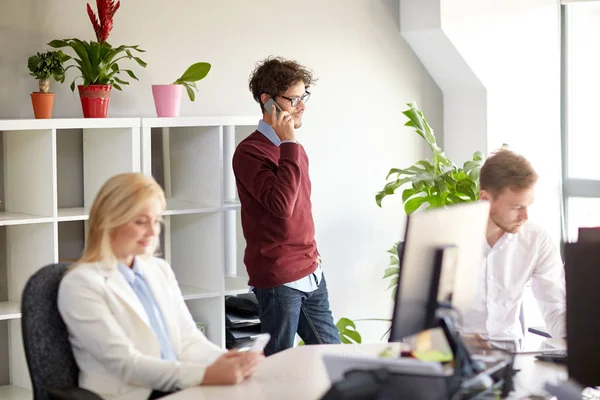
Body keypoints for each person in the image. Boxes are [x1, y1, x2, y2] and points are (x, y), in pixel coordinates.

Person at [58, 173, 263, 400]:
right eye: (141, 222)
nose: (154, 231)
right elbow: (126, 364)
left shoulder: (158, 270)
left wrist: (226, 361)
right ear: (109, 222)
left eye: (156, 220)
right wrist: (205, 375)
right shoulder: (81, 284)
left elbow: (187, 340)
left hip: (178, 387)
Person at [232, 56, 341, 356]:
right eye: (293, 99)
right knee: (280, 365)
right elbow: (281, 206)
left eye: (303, 97)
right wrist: (289, 142)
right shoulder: (250, 152)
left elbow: (300, 212)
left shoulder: (293, 149)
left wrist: (290, 145)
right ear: (268, 102)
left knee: (333, 357)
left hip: (310, 270)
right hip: (279, 278)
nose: (302, 106)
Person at [461, 149, 566, 345]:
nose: (525, 217)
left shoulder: (537, 240)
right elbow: (420, 320)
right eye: (516, 208)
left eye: (528, 206)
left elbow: (555, 308)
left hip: (512, 354)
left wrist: (583, 336)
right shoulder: (449, 237)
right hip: (455, 357)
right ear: (485, 200)